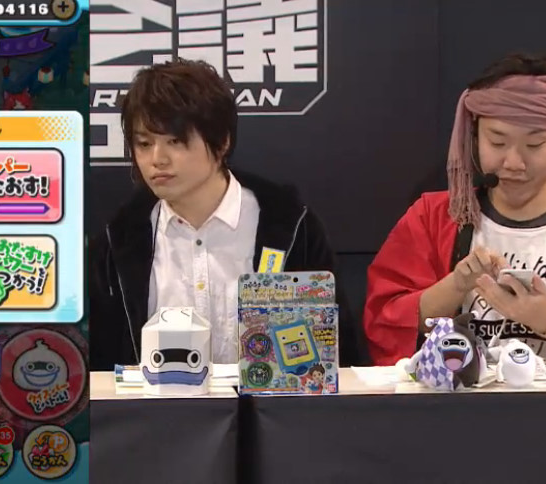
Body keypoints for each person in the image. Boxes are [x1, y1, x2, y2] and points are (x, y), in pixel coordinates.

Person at [364, 53, 546, 365]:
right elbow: (385, 321)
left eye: (534, 145)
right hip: (455, 393)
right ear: (475, 133)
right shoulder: (431, 217)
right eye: (497, 142)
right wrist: (456, 285)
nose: (514, 163)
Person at [90, 59, 368, 370]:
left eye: (175, 141)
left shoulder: (291, 227)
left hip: (267, 402)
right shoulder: (117, 243)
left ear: (221, 142)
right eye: (144, 143)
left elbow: (338, 356)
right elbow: (100, 366)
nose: (157, 159)